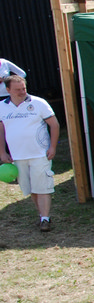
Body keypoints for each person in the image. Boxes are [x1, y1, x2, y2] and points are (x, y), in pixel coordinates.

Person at [0, 75, 60, 232]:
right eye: (17, 90)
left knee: (43, 188)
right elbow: (1, 131)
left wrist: (53, 147)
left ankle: (45, 218)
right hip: (17, 156)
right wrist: (2, 152)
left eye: (24, 88)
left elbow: (54, 125)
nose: (22, 92)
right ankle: (42, 216)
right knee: (31, 189)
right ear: (8, 90)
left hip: (40, 154)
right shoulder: (1, 107)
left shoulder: (39, 103)